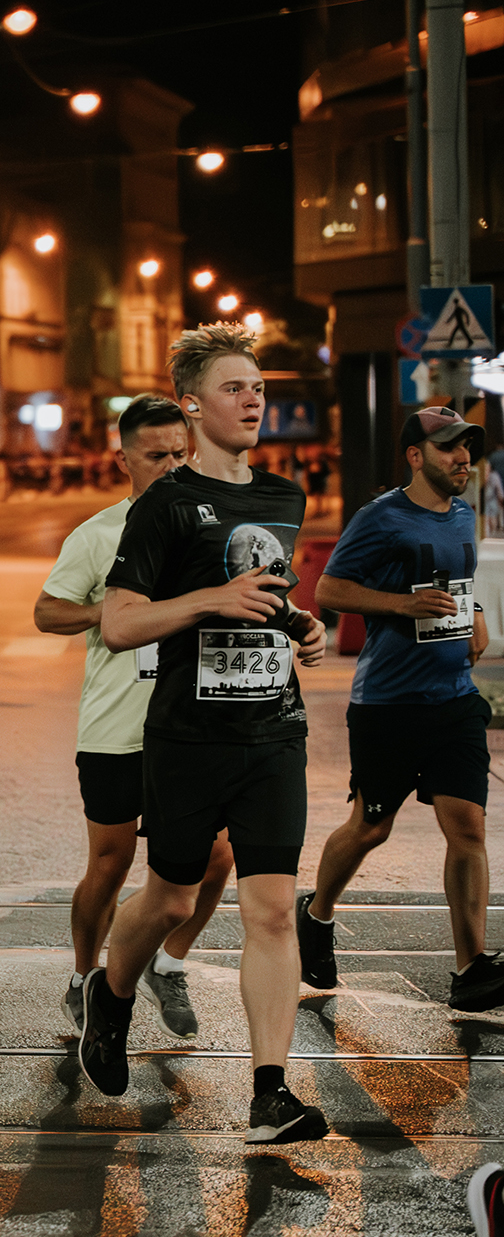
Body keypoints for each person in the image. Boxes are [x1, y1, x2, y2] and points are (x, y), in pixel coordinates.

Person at [87, 323, 330, 1144]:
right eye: (234, 387)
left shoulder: (283, 498)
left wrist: (304, 627)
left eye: (258, 386)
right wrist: (210, 601)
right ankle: (110, 994)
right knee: (172, 894)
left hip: (273, 735)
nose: (254, 398)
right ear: (192, 405)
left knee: (269, 911)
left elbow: (269, 596)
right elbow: (119, 624)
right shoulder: (164, 505)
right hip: (188, 739)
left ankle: (270, 1093)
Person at [34, 393, 233, 1041]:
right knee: (111, 864)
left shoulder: (209, 530)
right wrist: (115, 612)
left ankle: (168, 964)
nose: (172, 466)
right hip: (118, 731)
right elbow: (48, 611)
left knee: (217, 859)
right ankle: (81, 974)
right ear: (124, 458)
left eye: (181, 453)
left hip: (196, 728)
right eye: (156, 456)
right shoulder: (97, 536)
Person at [300, 406, 504, 1011]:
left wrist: (478, 620)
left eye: (467, 447)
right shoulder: (380, 517)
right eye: (447, 449)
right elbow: (329, 590)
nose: (462, 458)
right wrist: (399, 605)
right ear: (415, 456)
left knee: (467, 827)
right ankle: (316, 914)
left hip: (455, 699)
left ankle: (470, 968)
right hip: (388, 703)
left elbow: (460, 580)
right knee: (372, 825)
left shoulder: (465, 513)